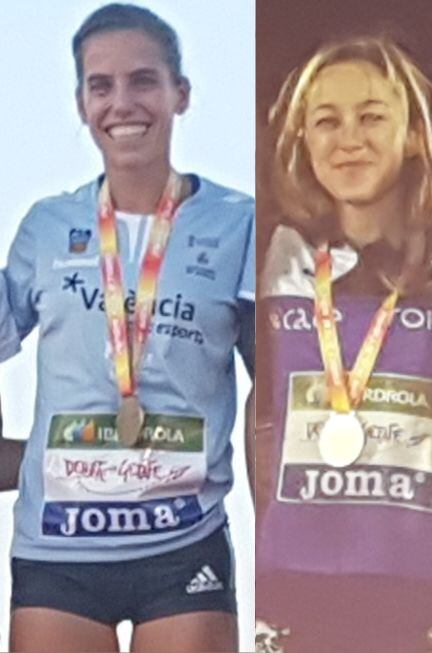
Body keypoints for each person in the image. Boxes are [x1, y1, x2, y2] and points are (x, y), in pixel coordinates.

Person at [1, 4, 255, 652]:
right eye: (100, 85)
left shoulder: (239, 223)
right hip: (58, 548)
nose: (123, 103)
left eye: (144, 80)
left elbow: (276, 390)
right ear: (81, 103)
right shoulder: (47, 225)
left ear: (181, 94)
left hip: (183, 543)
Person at [255, 36, 432, 652]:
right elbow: (257, 413)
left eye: (372, 115)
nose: (349, 137)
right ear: (303, 141)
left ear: (412, 134)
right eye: (327, 121)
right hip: (292, 590)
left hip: (426, 594)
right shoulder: (276, 259)